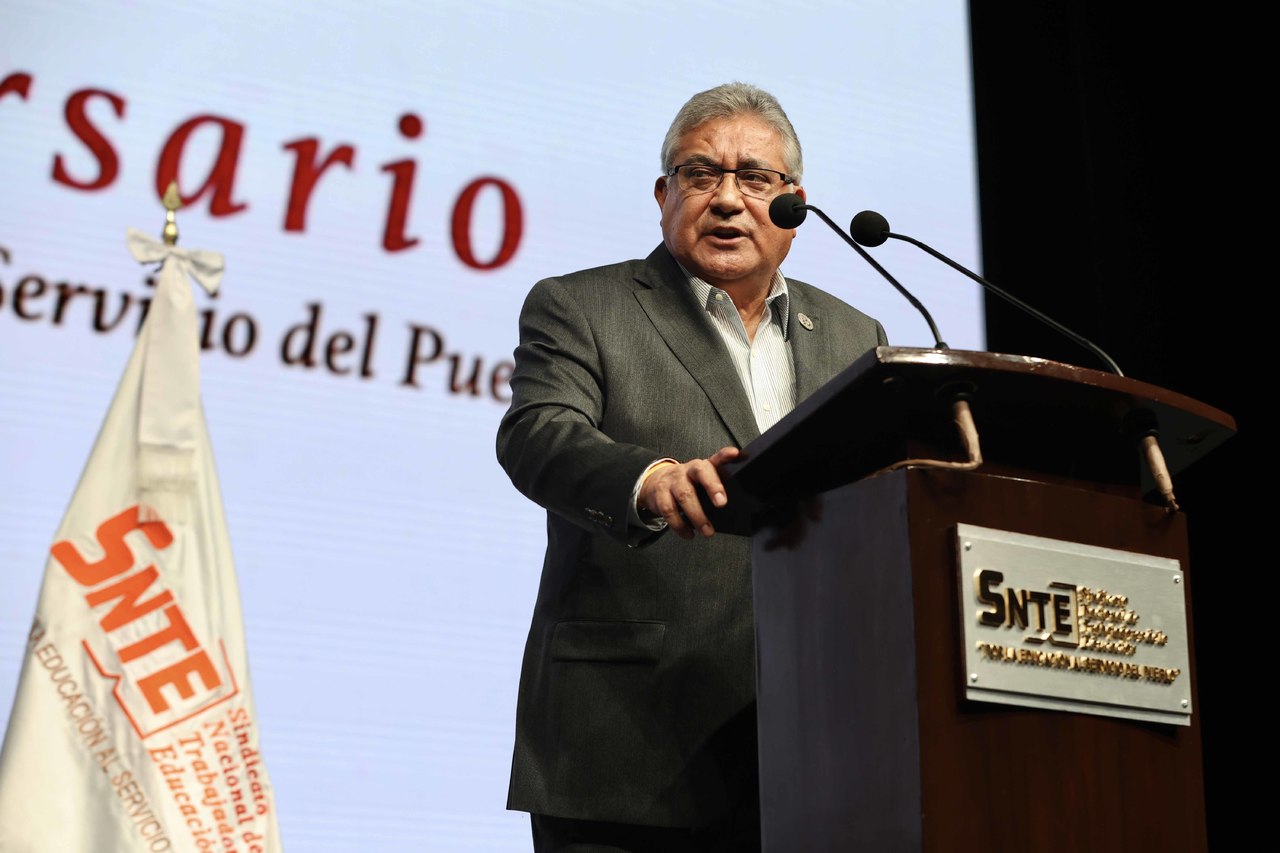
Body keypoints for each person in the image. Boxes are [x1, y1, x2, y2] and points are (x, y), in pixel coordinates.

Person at [497, 82, 887, 852]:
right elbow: (538, 433)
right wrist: (649, 482)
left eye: (756, 178)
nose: (728, 198)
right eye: (701, 174)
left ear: (795, 205)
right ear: (663, 195)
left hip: (810, 747)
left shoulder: (854, 335)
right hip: (629, 741)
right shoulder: (583, 306)